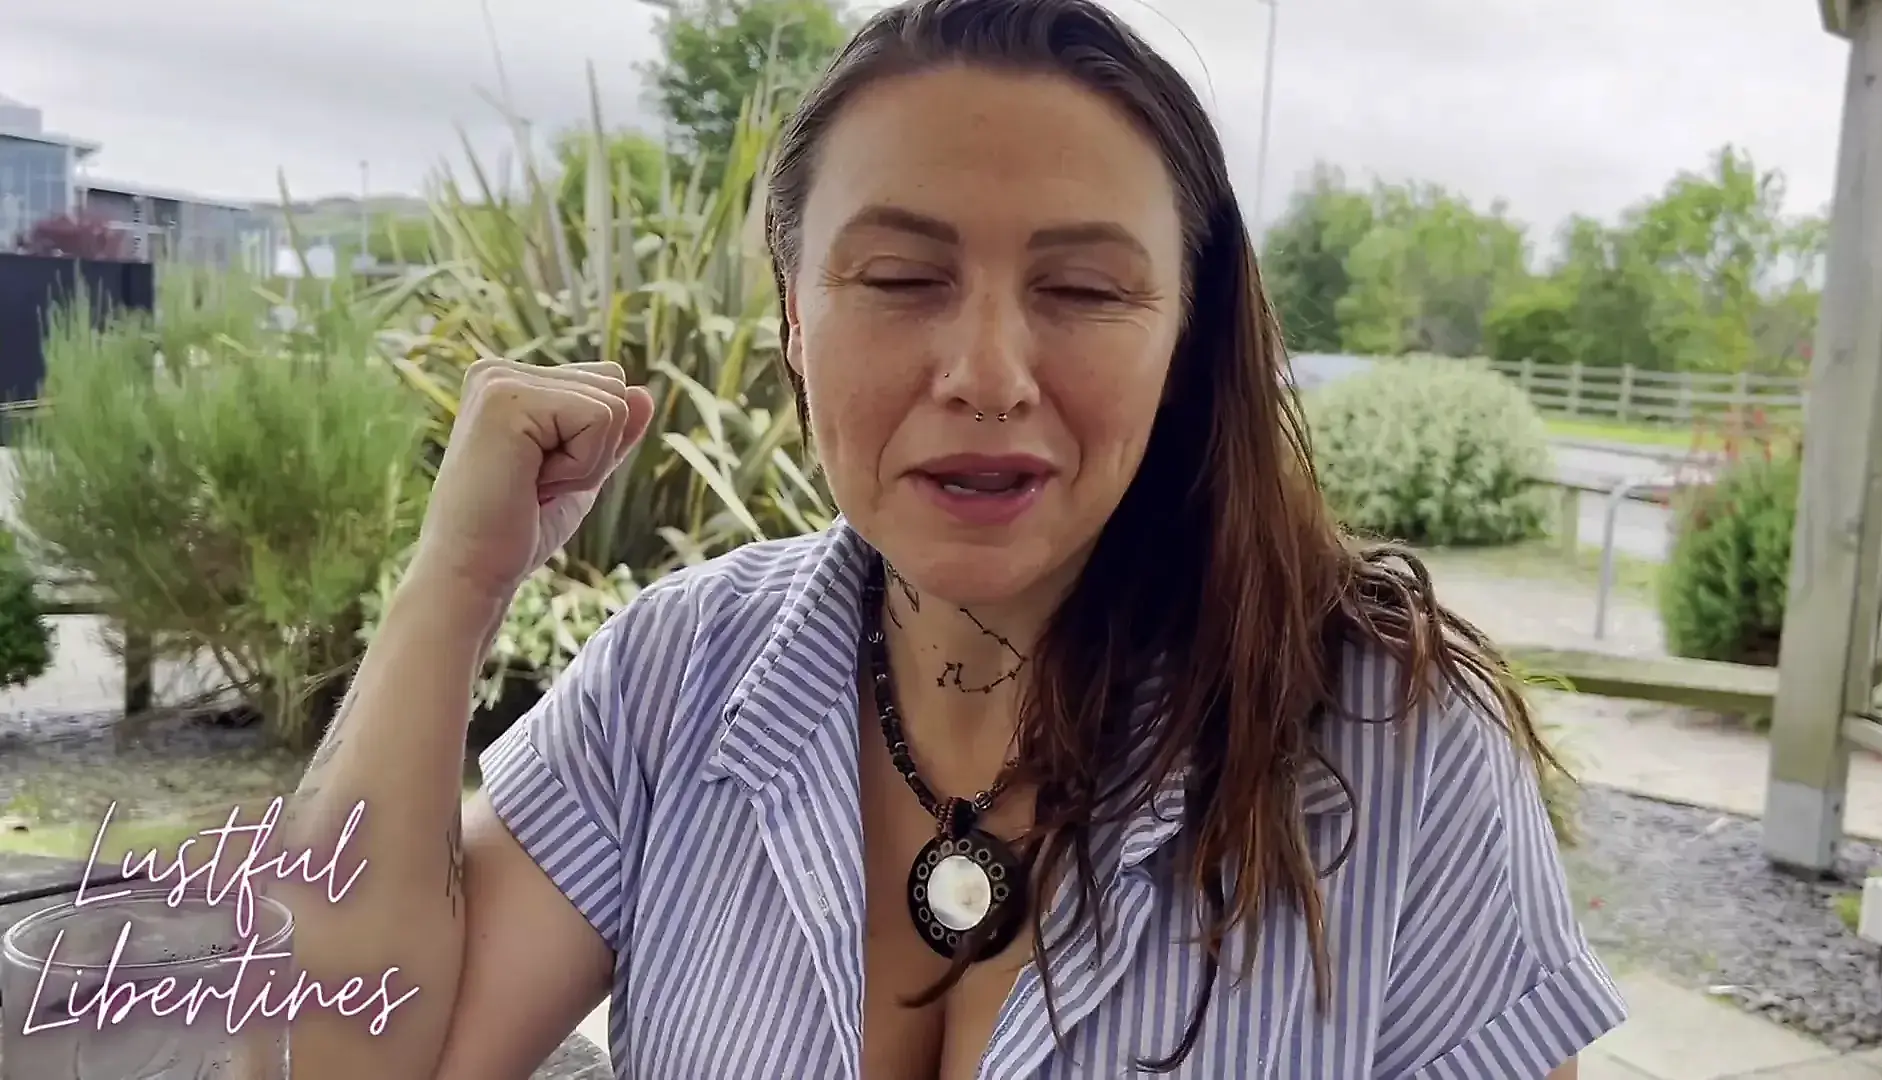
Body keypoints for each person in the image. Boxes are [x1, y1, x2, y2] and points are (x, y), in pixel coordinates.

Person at [269, 0, 1628, 1076]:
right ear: (794, 317)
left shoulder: (1395, 753)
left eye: (1083, 288)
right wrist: (455, 582)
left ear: (1185, 337)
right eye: (902, 278)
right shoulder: (676, 680)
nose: (987, 374)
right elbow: (350, 1060)